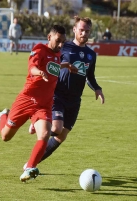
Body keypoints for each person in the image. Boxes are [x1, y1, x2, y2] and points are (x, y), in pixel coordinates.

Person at [0, 25, 78, 182]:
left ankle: (29, 168)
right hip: (27, 99)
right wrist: (39, 72)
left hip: (44, 104)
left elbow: (52, 67)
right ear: (49, 37)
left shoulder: (58, 54)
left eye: (63, 42)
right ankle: (3, 116)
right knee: (5, 136)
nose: (61, 45)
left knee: (45, 134)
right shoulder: (39, 49)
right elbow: (32, 67)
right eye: (58, 41)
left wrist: (66, 65)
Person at [28, 16, 105, 166]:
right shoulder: (64, 47)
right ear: (74, 29)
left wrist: (97, 88)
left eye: (87, 31)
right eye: (81, 30)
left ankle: (31, 165)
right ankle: (37, 123)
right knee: (56, 128)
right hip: (58, 94)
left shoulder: (91, 55)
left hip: (75, 100)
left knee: (61, 136)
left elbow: (89, 75)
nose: (84, 33)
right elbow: (49, 61)